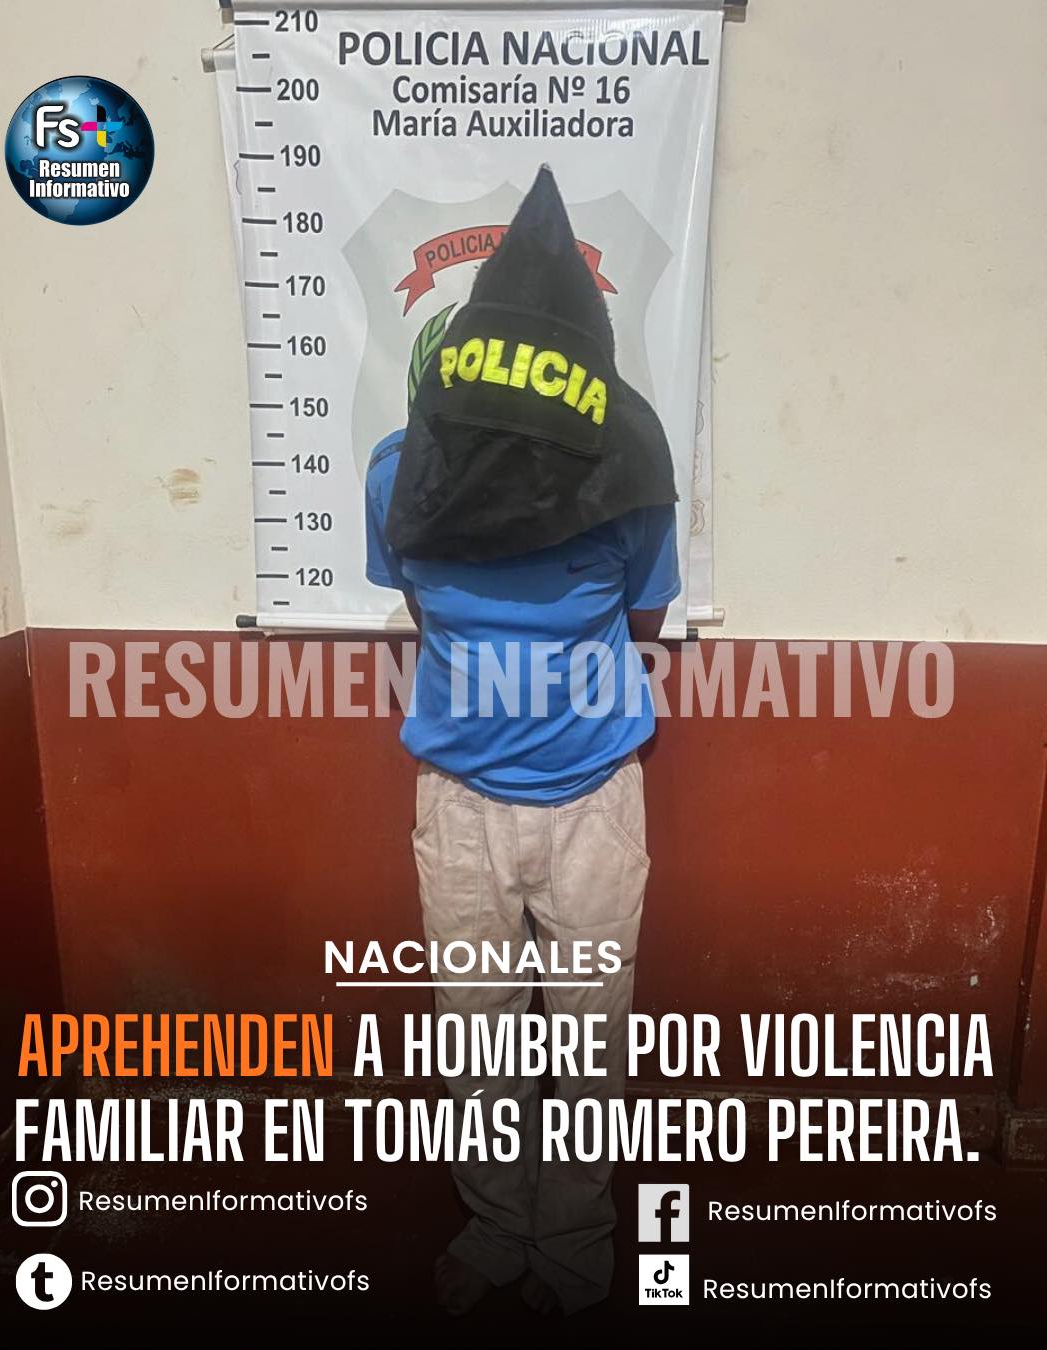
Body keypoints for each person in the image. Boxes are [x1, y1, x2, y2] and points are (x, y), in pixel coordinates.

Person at [364, 167, 680, 1317]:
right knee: (478, 1039)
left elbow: (640, 614)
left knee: (590, 1041)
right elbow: (426, 595)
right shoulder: (399, 469)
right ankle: (499, 1228)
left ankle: (575, 1246)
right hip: (460, 799)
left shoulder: (629, 473)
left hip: (594, 794)